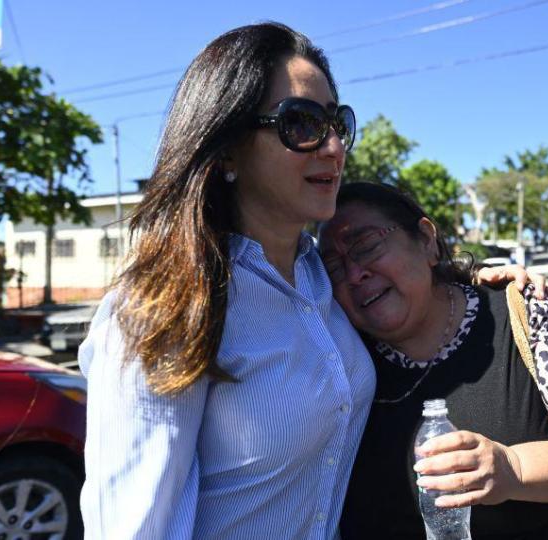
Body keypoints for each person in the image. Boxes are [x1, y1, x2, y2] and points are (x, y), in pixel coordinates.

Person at [78, 23, 375, 538]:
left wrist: (477, 283)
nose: (332, 146)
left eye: (336, 122)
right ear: (228, 148)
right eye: (301, 123)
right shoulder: (165, 308)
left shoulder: (322, 277)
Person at [318, 182, 548, 539]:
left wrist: (512, 469)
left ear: (426, 240)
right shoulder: (335, 350)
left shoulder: (520, 317)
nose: (355, 275)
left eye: (367, 247)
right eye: (333, 270)